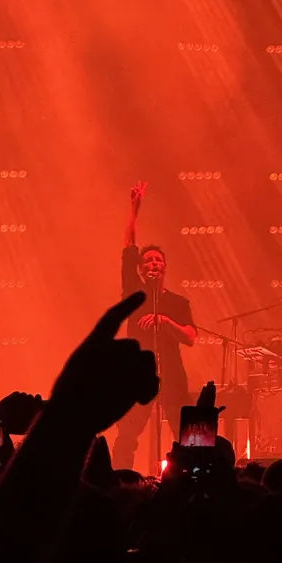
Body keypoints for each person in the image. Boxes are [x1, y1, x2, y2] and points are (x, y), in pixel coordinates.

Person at [113, 182, 196, 470]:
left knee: (184, 431)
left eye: (158, 260)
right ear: (140, 268)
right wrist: (134, 209)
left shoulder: (177, 302)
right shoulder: (134, 291)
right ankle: (121, 478)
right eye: (147, 260)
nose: (152, 263)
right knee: (128, 434)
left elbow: (190, 337)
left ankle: (188, 477)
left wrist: (165, 321)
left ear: (165, 268)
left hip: (172, 372)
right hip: (138, 371)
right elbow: (129, 245)